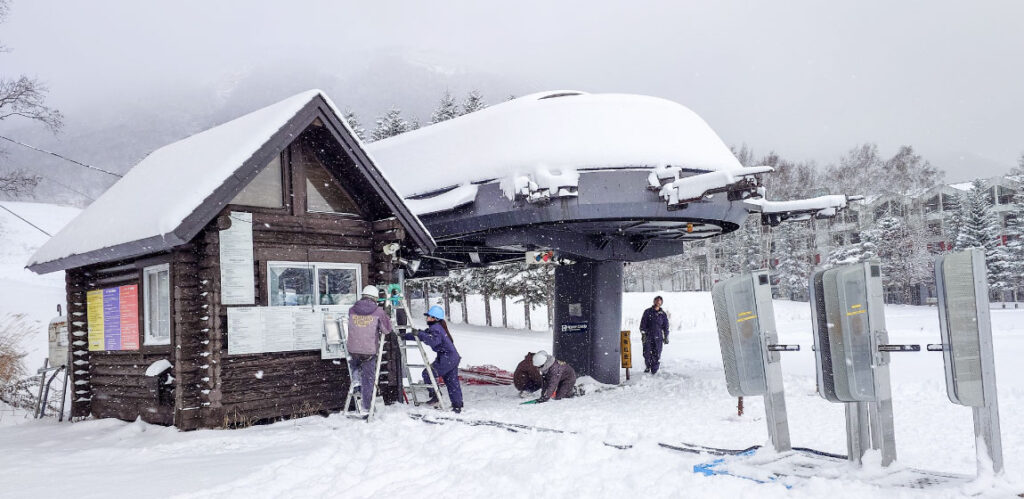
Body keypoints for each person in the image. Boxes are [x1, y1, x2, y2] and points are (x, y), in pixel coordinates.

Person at [403, 305, 464, 413]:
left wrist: (419, 333)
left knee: (428, 373)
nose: (427, 318)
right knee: (452, 381)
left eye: (429, 316)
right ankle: (457, 405)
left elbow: (433, 341)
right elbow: (423, 336)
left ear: (435, 318)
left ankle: (435, 397)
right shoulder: (437, 327)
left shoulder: (435, 328)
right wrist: (405, 335)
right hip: (452, 357)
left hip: (447, 358)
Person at [347, 285, 393, 411]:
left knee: (355, 364)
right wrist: (386, 317)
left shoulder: (351, 310)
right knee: (368, 379)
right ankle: (367, 406)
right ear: (375, 298)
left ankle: (355, 378)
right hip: (368, 351)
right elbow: (387, 330)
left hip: (353, 349)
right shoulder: (378, 311)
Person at [639, 295, 670, 374]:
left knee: (657, 353)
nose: (658, 302)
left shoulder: (662, 314)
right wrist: (643, 334)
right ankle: (648, 366)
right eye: (656, 300)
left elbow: (666, 326)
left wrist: (666, 336)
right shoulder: (647, 312)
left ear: (661, 303)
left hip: (658, 336)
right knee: (647, 353)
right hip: (648, 335)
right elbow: (643, 323)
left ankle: (654, 369)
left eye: (659, 301)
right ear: (654, 301)